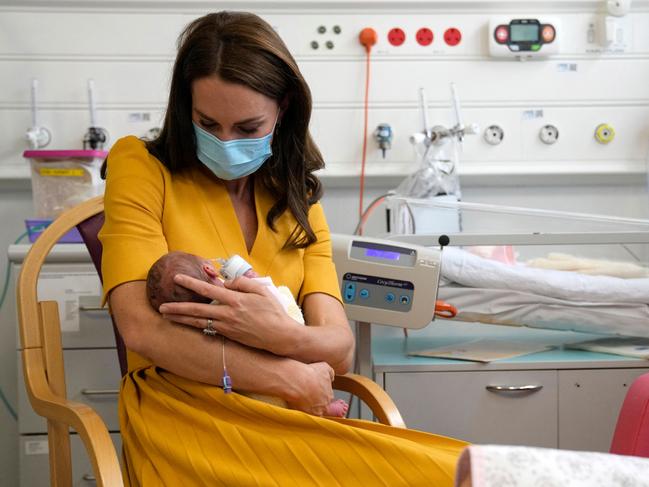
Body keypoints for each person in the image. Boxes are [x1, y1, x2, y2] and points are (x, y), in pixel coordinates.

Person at [99, 10, 467, 486]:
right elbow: (142, 332)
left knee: (463, 471)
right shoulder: (141, 166)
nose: (225, 141)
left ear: (284, 109)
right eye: (207, 123)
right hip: (186, 412)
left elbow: (339, 350)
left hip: (293, 414)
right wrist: (288, 376)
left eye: (248, 128)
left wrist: (274, 332)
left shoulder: (297, 196)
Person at [145, 250, 349, 416]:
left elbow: (343, 353)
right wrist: (256, 280)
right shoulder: (238, 295)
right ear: (209, 269)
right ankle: (324, 408)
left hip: (242, 403)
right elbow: (277, 303)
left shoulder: (191, 328)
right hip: (290, 389)